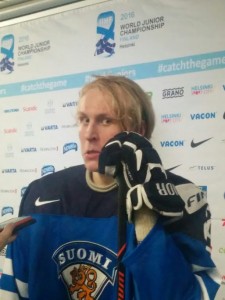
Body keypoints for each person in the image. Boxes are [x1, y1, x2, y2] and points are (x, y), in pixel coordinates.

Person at [0, 75, 221, 299]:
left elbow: (189, 296)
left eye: (105, 121)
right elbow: (15, 289)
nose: (89, 134)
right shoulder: (42, 193)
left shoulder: (181, 195)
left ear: (139, 131)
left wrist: (146, 223)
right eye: (84, 120)